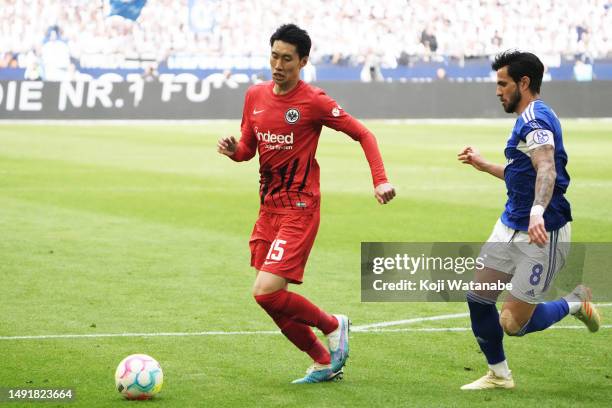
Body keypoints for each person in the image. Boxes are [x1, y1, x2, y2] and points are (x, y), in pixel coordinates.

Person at [217, 24, 396, 384]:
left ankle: (333, 325)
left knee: (265, 292)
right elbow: (248, 151)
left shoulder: (313, 101)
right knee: (270, 298)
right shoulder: (254, 96)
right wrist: (233, 150)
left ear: (303, 62)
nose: (278, 64)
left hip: (299, 208)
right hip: (267, 209)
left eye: (287, 58)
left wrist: (380, 179)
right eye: (274, 56)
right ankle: (321, 361)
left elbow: (364, 133)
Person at [457, 50, 601, 390]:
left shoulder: (536, 119)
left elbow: (546, 166)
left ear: (524, 82)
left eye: (502, 83)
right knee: (478, 297)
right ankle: (499, 375)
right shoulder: (525, 119)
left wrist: (537, 211)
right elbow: (521, 172)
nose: (497, 90)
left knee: (512, 324)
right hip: (510, 224)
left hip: (542, 232)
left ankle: (574, 302)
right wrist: (484, 165)